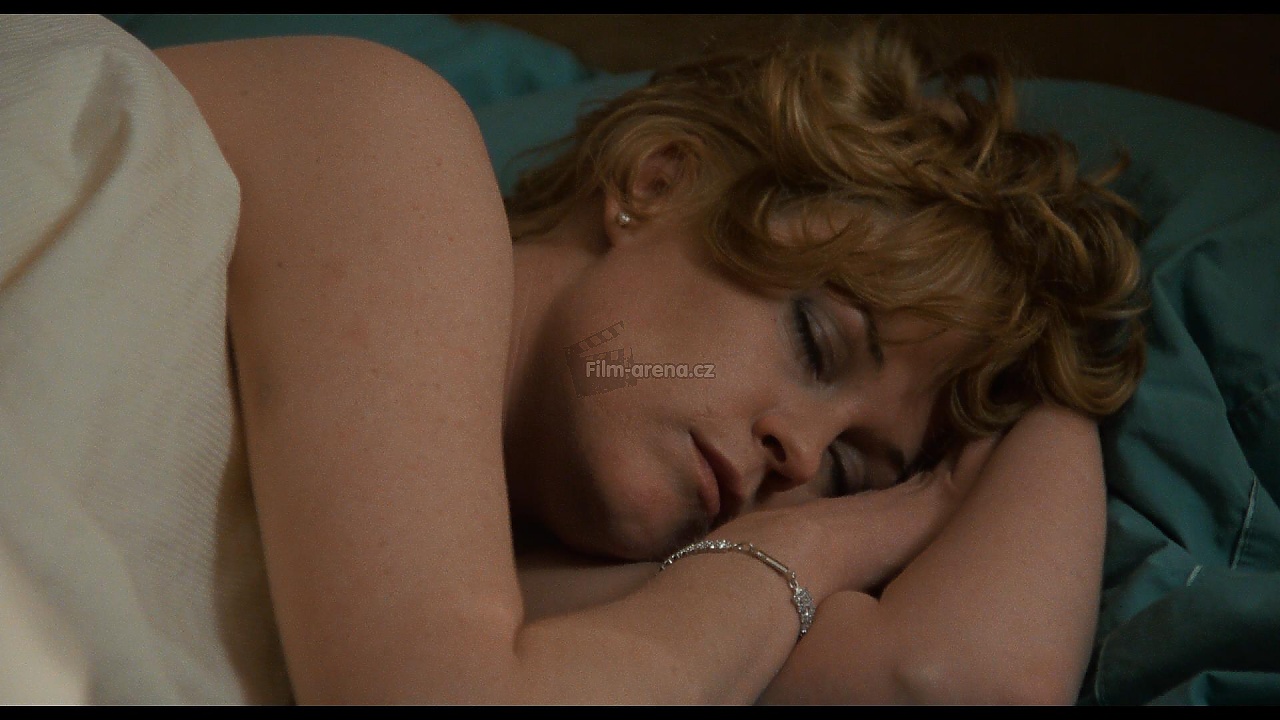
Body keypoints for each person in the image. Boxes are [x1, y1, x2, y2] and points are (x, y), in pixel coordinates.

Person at [7, 15, 1144, 704]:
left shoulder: (539, 611)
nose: (798, 455)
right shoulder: (389, 137)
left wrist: (1059, 374)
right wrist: (813, 539)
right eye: (814, 341)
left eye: (849, 467)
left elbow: (953, 678)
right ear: (657, 180)